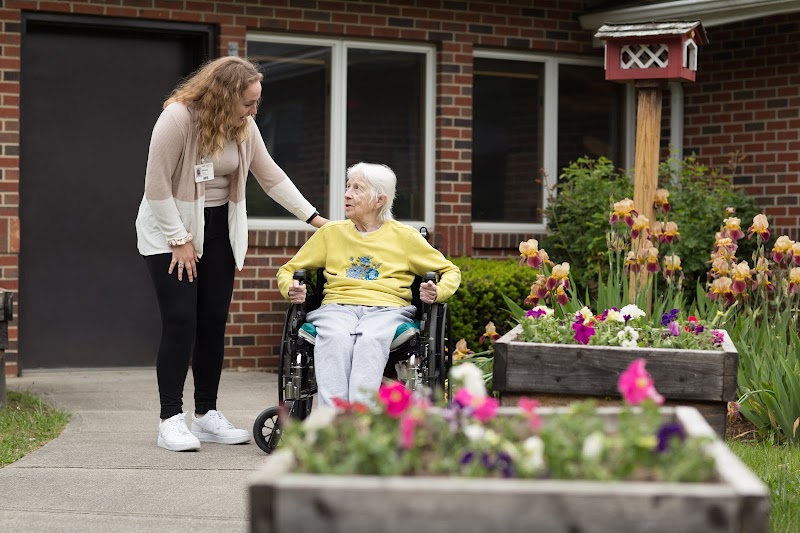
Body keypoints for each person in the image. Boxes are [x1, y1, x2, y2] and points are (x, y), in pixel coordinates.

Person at [135, 56, 328, 452]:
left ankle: (206, 416)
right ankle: (170, 419)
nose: (255, 110)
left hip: (219, 228)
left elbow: (271, 175)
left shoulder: (243, 126)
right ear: (223, 97)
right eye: (248, 103)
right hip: (170, 229)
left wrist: (316, 219)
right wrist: (179, 238)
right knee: (181, 320)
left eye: (257, 102)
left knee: (212, 321)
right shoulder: (177, 119)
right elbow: (156, 186)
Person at [277, 162, 461, 407]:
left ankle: (362, 421)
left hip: (387, 311)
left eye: (357, 188)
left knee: (370, 339)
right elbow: (287, 270)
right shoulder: (331, 233)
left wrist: (437, 292)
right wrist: (291, 288)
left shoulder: (405, 237)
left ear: (379, 200)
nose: (347, 194)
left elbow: (450, 270)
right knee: (335, 337)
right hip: (337, 308)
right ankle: (334, 422)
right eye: (347, 186)